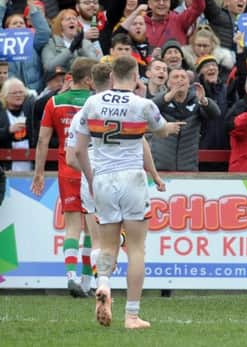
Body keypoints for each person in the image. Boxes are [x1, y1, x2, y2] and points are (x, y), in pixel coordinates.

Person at [73, 56, 182, 328]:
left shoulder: (92, 103)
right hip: (132, 178)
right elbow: (160, 131)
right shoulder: (142, 104)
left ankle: (105, 284)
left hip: (103, 178)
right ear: (135, 77)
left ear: (111, 77)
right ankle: (131, 315)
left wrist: (90, 176)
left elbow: (78, 149)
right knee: (136, 249)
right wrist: (167, 128)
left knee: (107, 245)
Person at [30, 58, 97, 297]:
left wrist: (38, 173)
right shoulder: (94, 102)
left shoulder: (54, 102)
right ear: (89, 79)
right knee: (91, 229)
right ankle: (88, 282)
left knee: (72, 227)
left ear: (71, 78)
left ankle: (71, 276)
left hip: (67, 169)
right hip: (91, 169)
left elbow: (43, 141)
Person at [150, 68, 220, 171]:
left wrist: (204, 100)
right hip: (161, 168)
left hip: (188, 168)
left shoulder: (197, 102)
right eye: (175, 77)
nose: (180, 80)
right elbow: (148, 110)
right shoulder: (160, 101)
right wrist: (169, 96)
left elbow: (216, 114)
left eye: (183, 77)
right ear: (168, 83)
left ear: (188, 84)